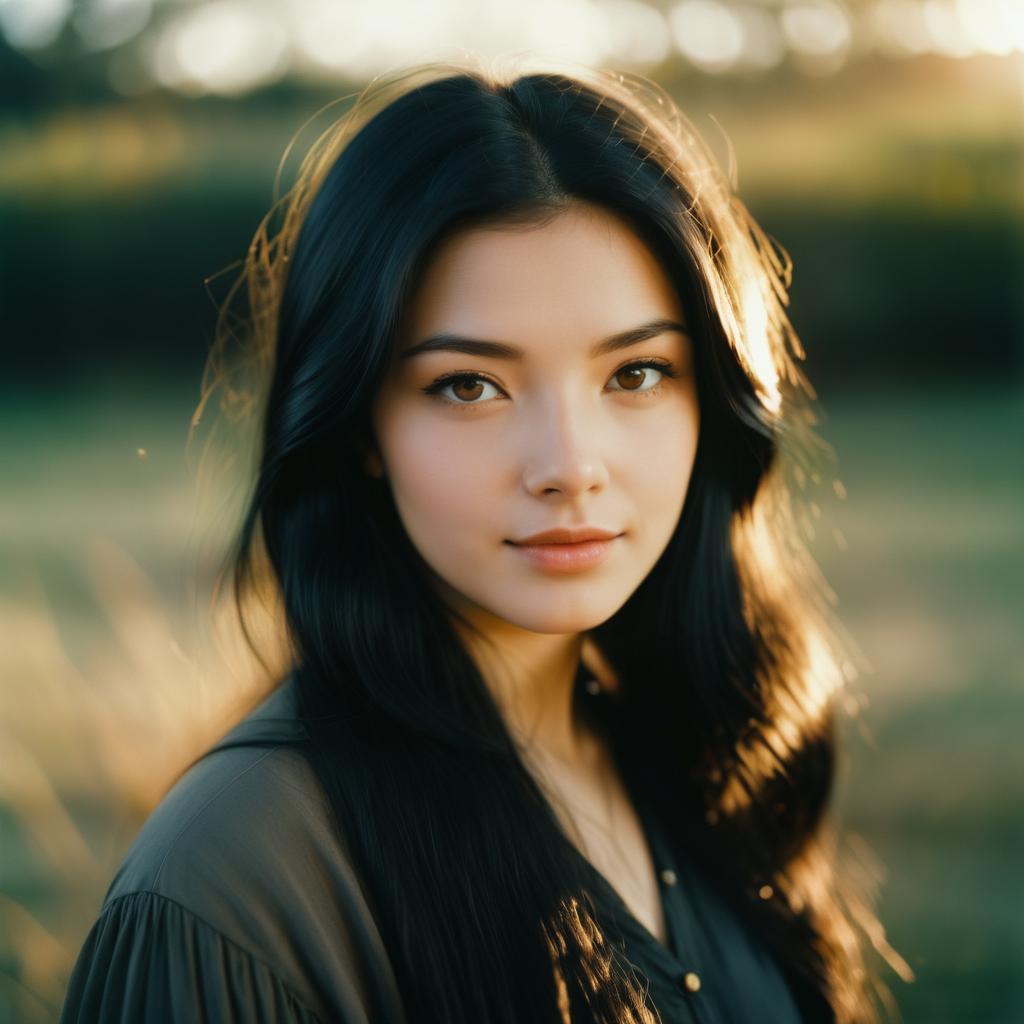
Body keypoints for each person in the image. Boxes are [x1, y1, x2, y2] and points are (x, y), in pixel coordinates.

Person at [59, 56, 894, 1023]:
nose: (569, 465)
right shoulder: (235, 881)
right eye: (470, 385)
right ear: (361, 425)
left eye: (636, 374)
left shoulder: (698, 758)